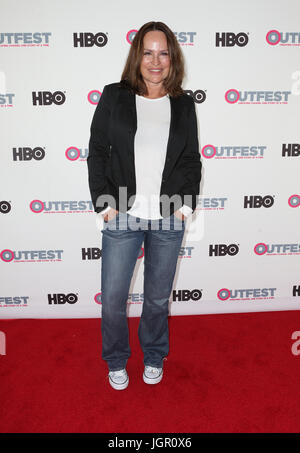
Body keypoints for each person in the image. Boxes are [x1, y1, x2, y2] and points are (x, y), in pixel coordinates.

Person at [87, 21, 201, 390]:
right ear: (137, 56)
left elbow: (191, 160)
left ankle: (153, 355)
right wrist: (105, 204)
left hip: (169, 216)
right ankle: (116, 359)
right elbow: (97, 153)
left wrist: (184, 207)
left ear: (173, 58)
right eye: (148, 52)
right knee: (113, 300)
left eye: (163, 52)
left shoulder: (183, 103)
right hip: (122, 210)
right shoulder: (114, 96)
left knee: (155, 300)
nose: (156, 61)